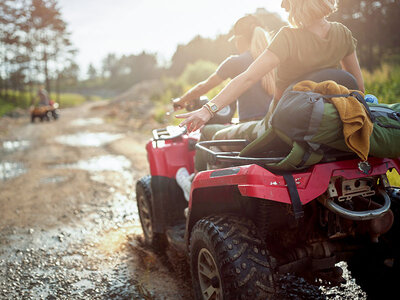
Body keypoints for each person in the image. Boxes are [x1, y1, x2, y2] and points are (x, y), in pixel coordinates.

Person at [177, 0, 365, 136]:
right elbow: (357, 86)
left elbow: (248, 78)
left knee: (213, 136)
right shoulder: (343, 33)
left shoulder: (289, 38)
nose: (283, 6)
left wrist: (207, 110)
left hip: (281, 124)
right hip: (329, 120)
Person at [174, 14, 275, 124]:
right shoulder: (273, 61)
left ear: (240, 40)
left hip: (252, 126)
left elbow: (203, 87)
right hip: (273, 123)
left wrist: (181, 101)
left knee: (208, 131)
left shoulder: (235, 62)